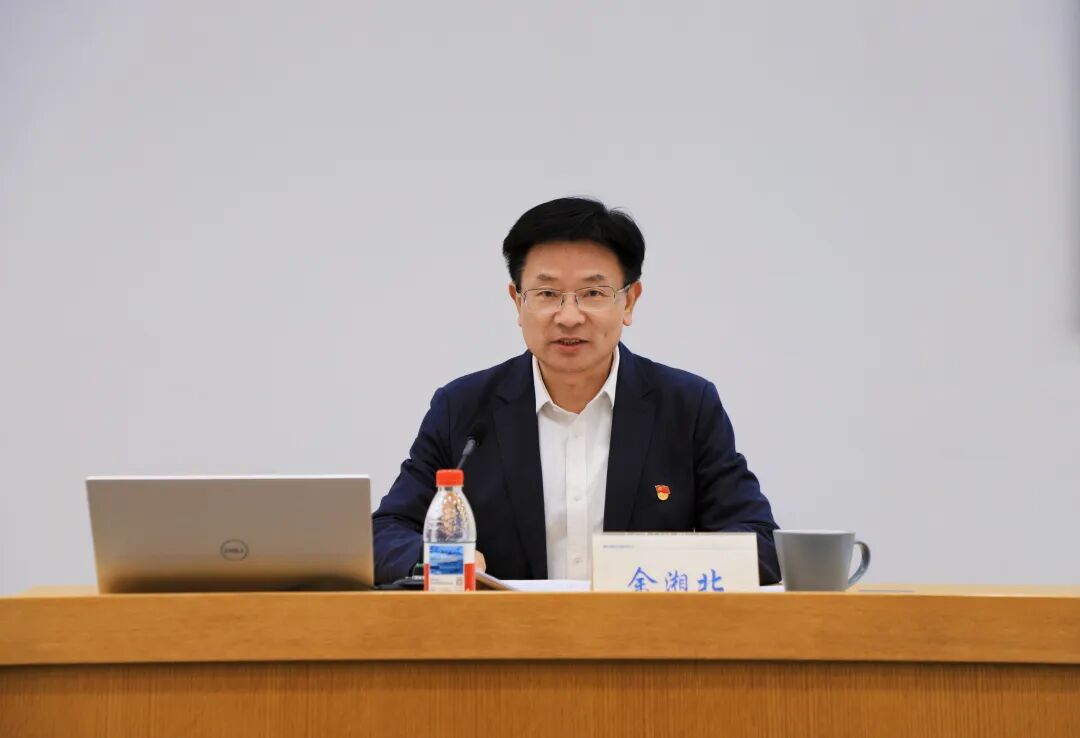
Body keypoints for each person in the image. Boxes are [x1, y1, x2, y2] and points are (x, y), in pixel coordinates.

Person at [373, 197, 780, 584]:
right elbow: (386, 533)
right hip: (506, 631)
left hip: (640, 630)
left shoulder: (686, 406)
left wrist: (658, 567)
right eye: (547, 294)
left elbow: (760, 543)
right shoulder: (462, 407)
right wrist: (442, 561)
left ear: (630, 302)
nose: (569, 317)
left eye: (593, 293)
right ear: (517, 302)